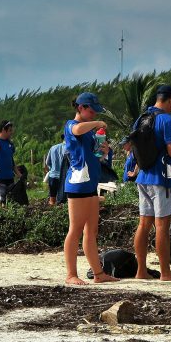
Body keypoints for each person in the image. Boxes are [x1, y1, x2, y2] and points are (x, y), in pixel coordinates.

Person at [63, 92, 119, 286]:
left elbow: (94, 156)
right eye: (92, 110)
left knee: (91, 230)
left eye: (96, 111)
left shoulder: (89, 132)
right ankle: (71, 274)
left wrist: (104, 152)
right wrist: (97, 124)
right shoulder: (72, 126)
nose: (94, 113)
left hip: (91, 183)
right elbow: (76, 130)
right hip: (78, 184)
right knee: (75, 229)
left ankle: (98, 273)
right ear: (81, 108)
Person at [132, 84, 171, 281]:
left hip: (143, 176)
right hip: (162, 178)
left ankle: (140, 271)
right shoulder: (168, 120)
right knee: (162, 225)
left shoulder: (141, 118)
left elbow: (130, 146)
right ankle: (165, 272)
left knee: (144, 224)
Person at [44, 135, 66, 206]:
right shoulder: (70, 148)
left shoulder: (53, 148)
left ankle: (52, 212)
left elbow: (47, 162)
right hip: (64, 178)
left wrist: (53, 168)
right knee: (63, 200)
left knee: (52, 199)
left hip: (53, 176)